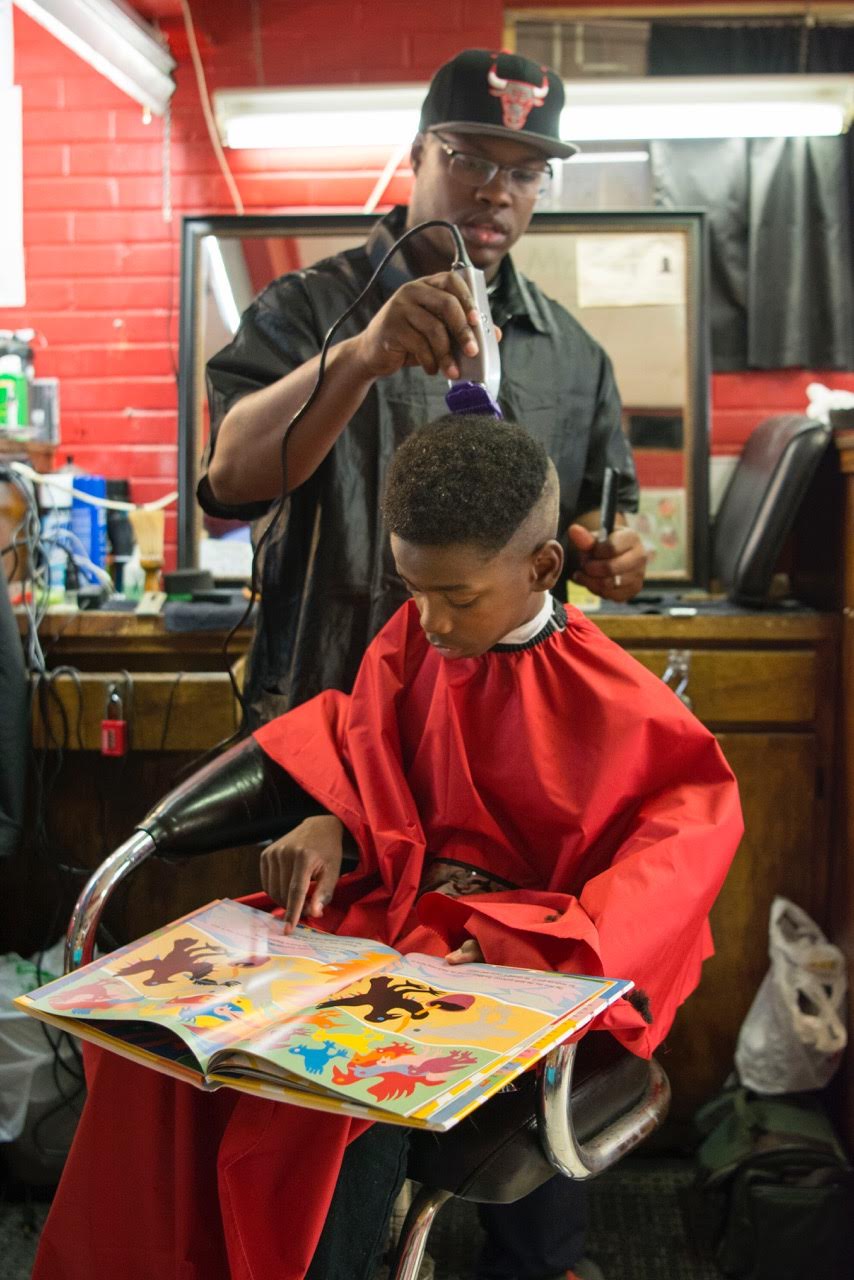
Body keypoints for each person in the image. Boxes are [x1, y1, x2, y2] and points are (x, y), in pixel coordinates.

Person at [32, 416, 741, 1280]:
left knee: (327, 1095)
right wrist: (332, 816)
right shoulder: (412, 640)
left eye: (459, 599)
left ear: (543, 567)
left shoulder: (623, 707)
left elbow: (675, 859)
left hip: (513, 965)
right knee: (162, 1056)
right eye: (412, 590)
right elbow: (367, 748)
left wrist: (528, 945)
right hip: (390, 919)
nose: (430, 621)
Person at [200, 47, 649, 727]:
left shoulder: (572, 352)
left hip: (500, 734)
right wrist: (357, 358)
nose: (497, 192)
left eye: (525, 173)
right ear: (419, 154)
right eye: (471, 160)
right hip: (327, 713)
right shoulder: (306, 310)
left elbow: (598, 516)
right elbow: (231, 480)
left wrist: (615, 555)